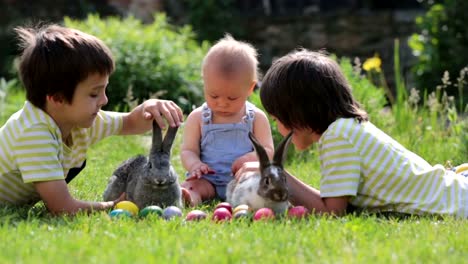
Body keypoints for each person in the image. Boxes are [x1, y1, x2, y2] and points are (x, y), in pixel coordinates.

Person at [235, 49, 468, 217]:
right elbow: (332, 200)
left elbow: (332, 211)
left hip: (458, 202)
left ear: (298, 113)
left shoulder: (339, 138)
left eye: (277, 119)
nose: (278, 128)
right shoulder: (346, 129)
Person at [0, 24, 183, 215]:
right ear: (57, 97)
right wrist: (111, 205)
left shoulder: (76, 120)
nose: (104, 100)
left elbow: (129, 122)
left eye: (104, 90)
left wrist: (149, 108)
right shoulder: (34, 134)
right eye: (94, 94)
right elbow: (63, 208)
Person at [180, 35, 274, 206]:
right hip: (207, 179)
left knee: (259, 186)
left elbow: (268, 150)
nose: (222, 103)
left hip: (243, 178)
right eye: (213, 95)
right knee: (193, 186)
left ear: (250, 88)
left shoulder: (256, 118)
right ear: (205, 84)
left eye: (232, 97)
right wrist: (195, 164)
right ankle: (190, 197)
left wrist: (250, 158)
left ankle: (247, 203)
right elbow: (188, 150)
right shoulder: (198, 118)